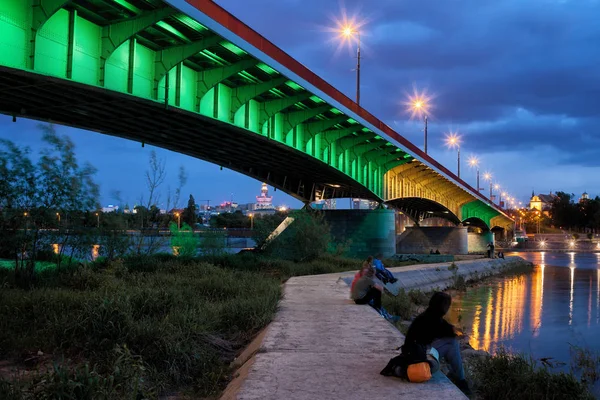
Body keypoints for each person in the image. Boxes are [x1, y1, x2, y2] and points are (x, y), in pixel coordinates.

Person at [403, 292, 471, 395]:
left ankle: (457, 375)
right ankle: (462, 381)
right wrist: (463, 336)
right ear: (443, 307)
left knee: (451, 343)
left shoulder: (427, 316)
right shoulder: (434, 321)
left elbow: (448, 327)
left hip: (413, 354)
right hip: (420, 361)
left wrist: (457, 330)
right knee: (452, 343)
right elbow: (450, 333)